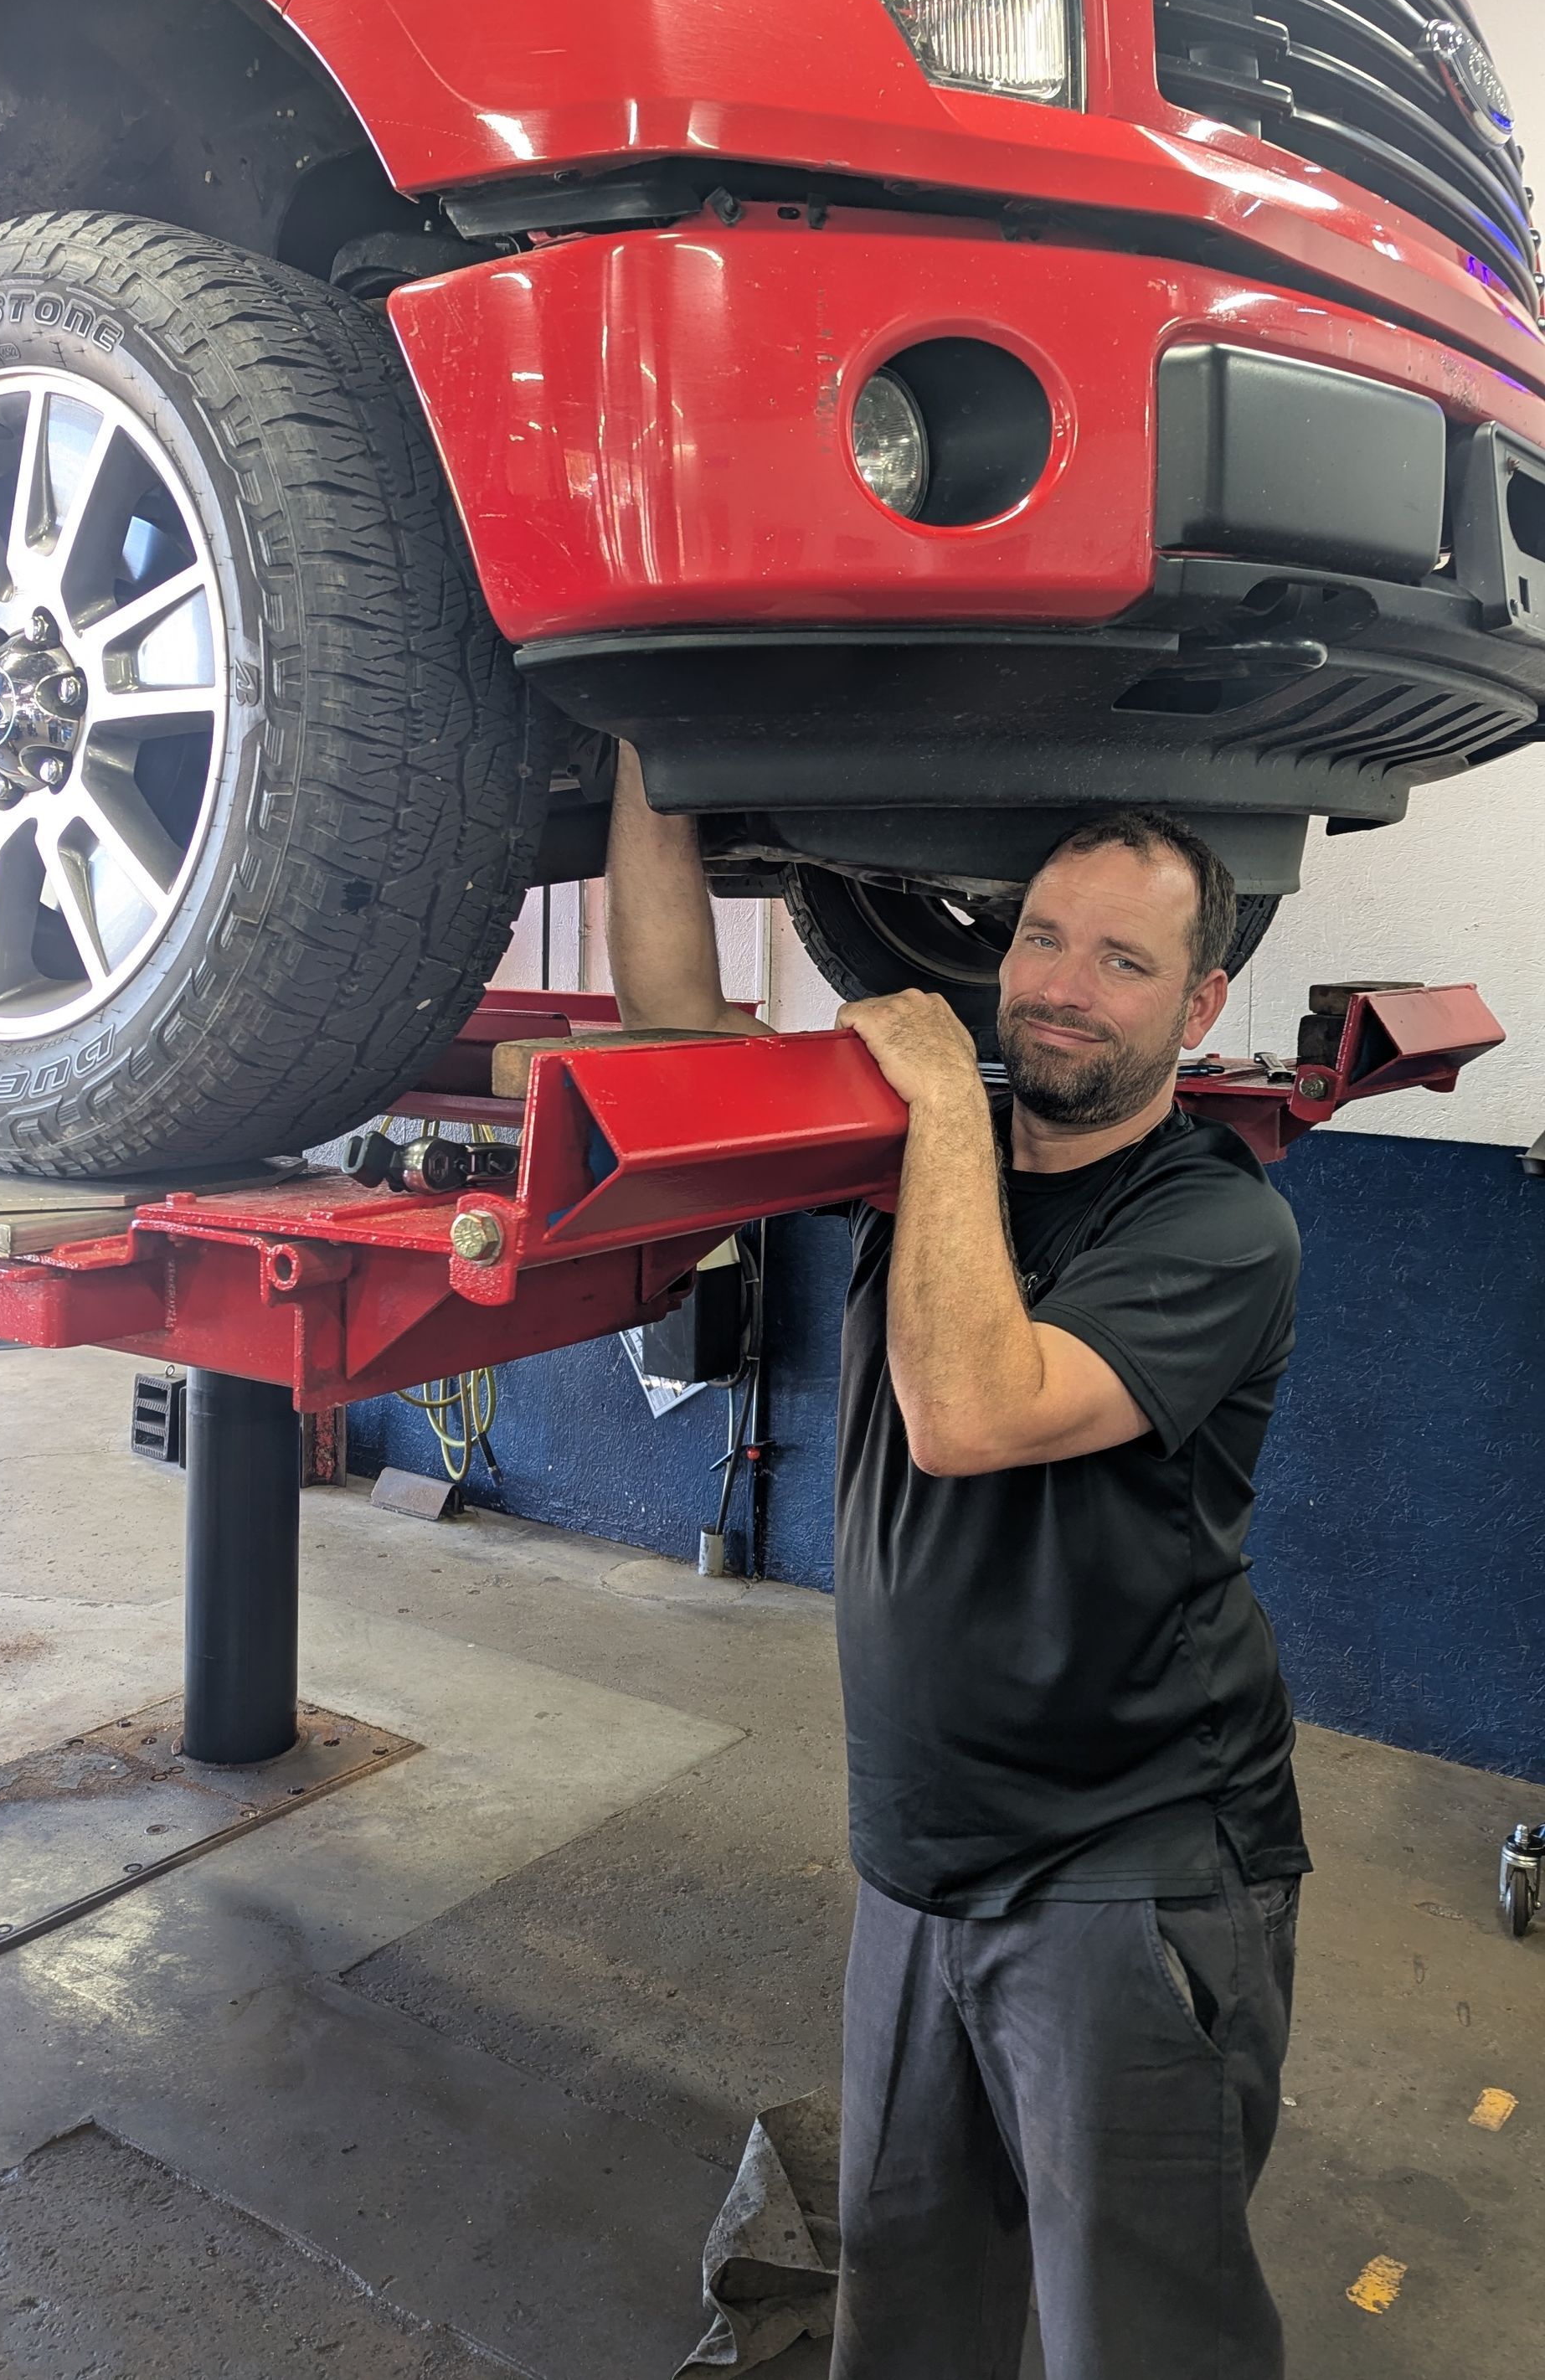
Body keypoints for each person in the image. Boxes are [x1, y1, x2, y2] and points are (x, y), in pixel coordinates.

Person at [605, 745, 1308, 2380]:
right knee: (908, 2312)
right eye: (1042, 938)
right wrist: (653, 745)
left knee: (1133, 2339)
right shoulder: (948, 1143)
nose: (1060, 992)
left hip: (1129, 1882)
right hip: (916, 1862)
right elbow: (671, 1047)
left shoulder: (1215, 1226)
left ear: (1196, 1012)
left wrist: (933, 1104)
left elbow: (971, 1411)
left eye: (1122, 961)